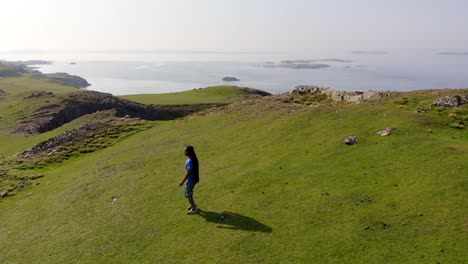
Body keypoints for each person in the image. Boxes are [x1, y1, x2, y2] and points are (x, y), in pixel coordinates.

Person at [179, 145, 199, 214]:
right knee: (188, 193)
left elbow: (188, 173)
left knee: (189, 195)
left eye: (185, 150)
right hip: (192, 180)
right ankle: (193, 205)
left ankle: (194, 209)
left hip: (190, 181)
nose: (184, 152)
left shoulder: (190, 161)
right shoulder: (192, 158)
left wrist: (182, 181)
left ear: (189, 152)